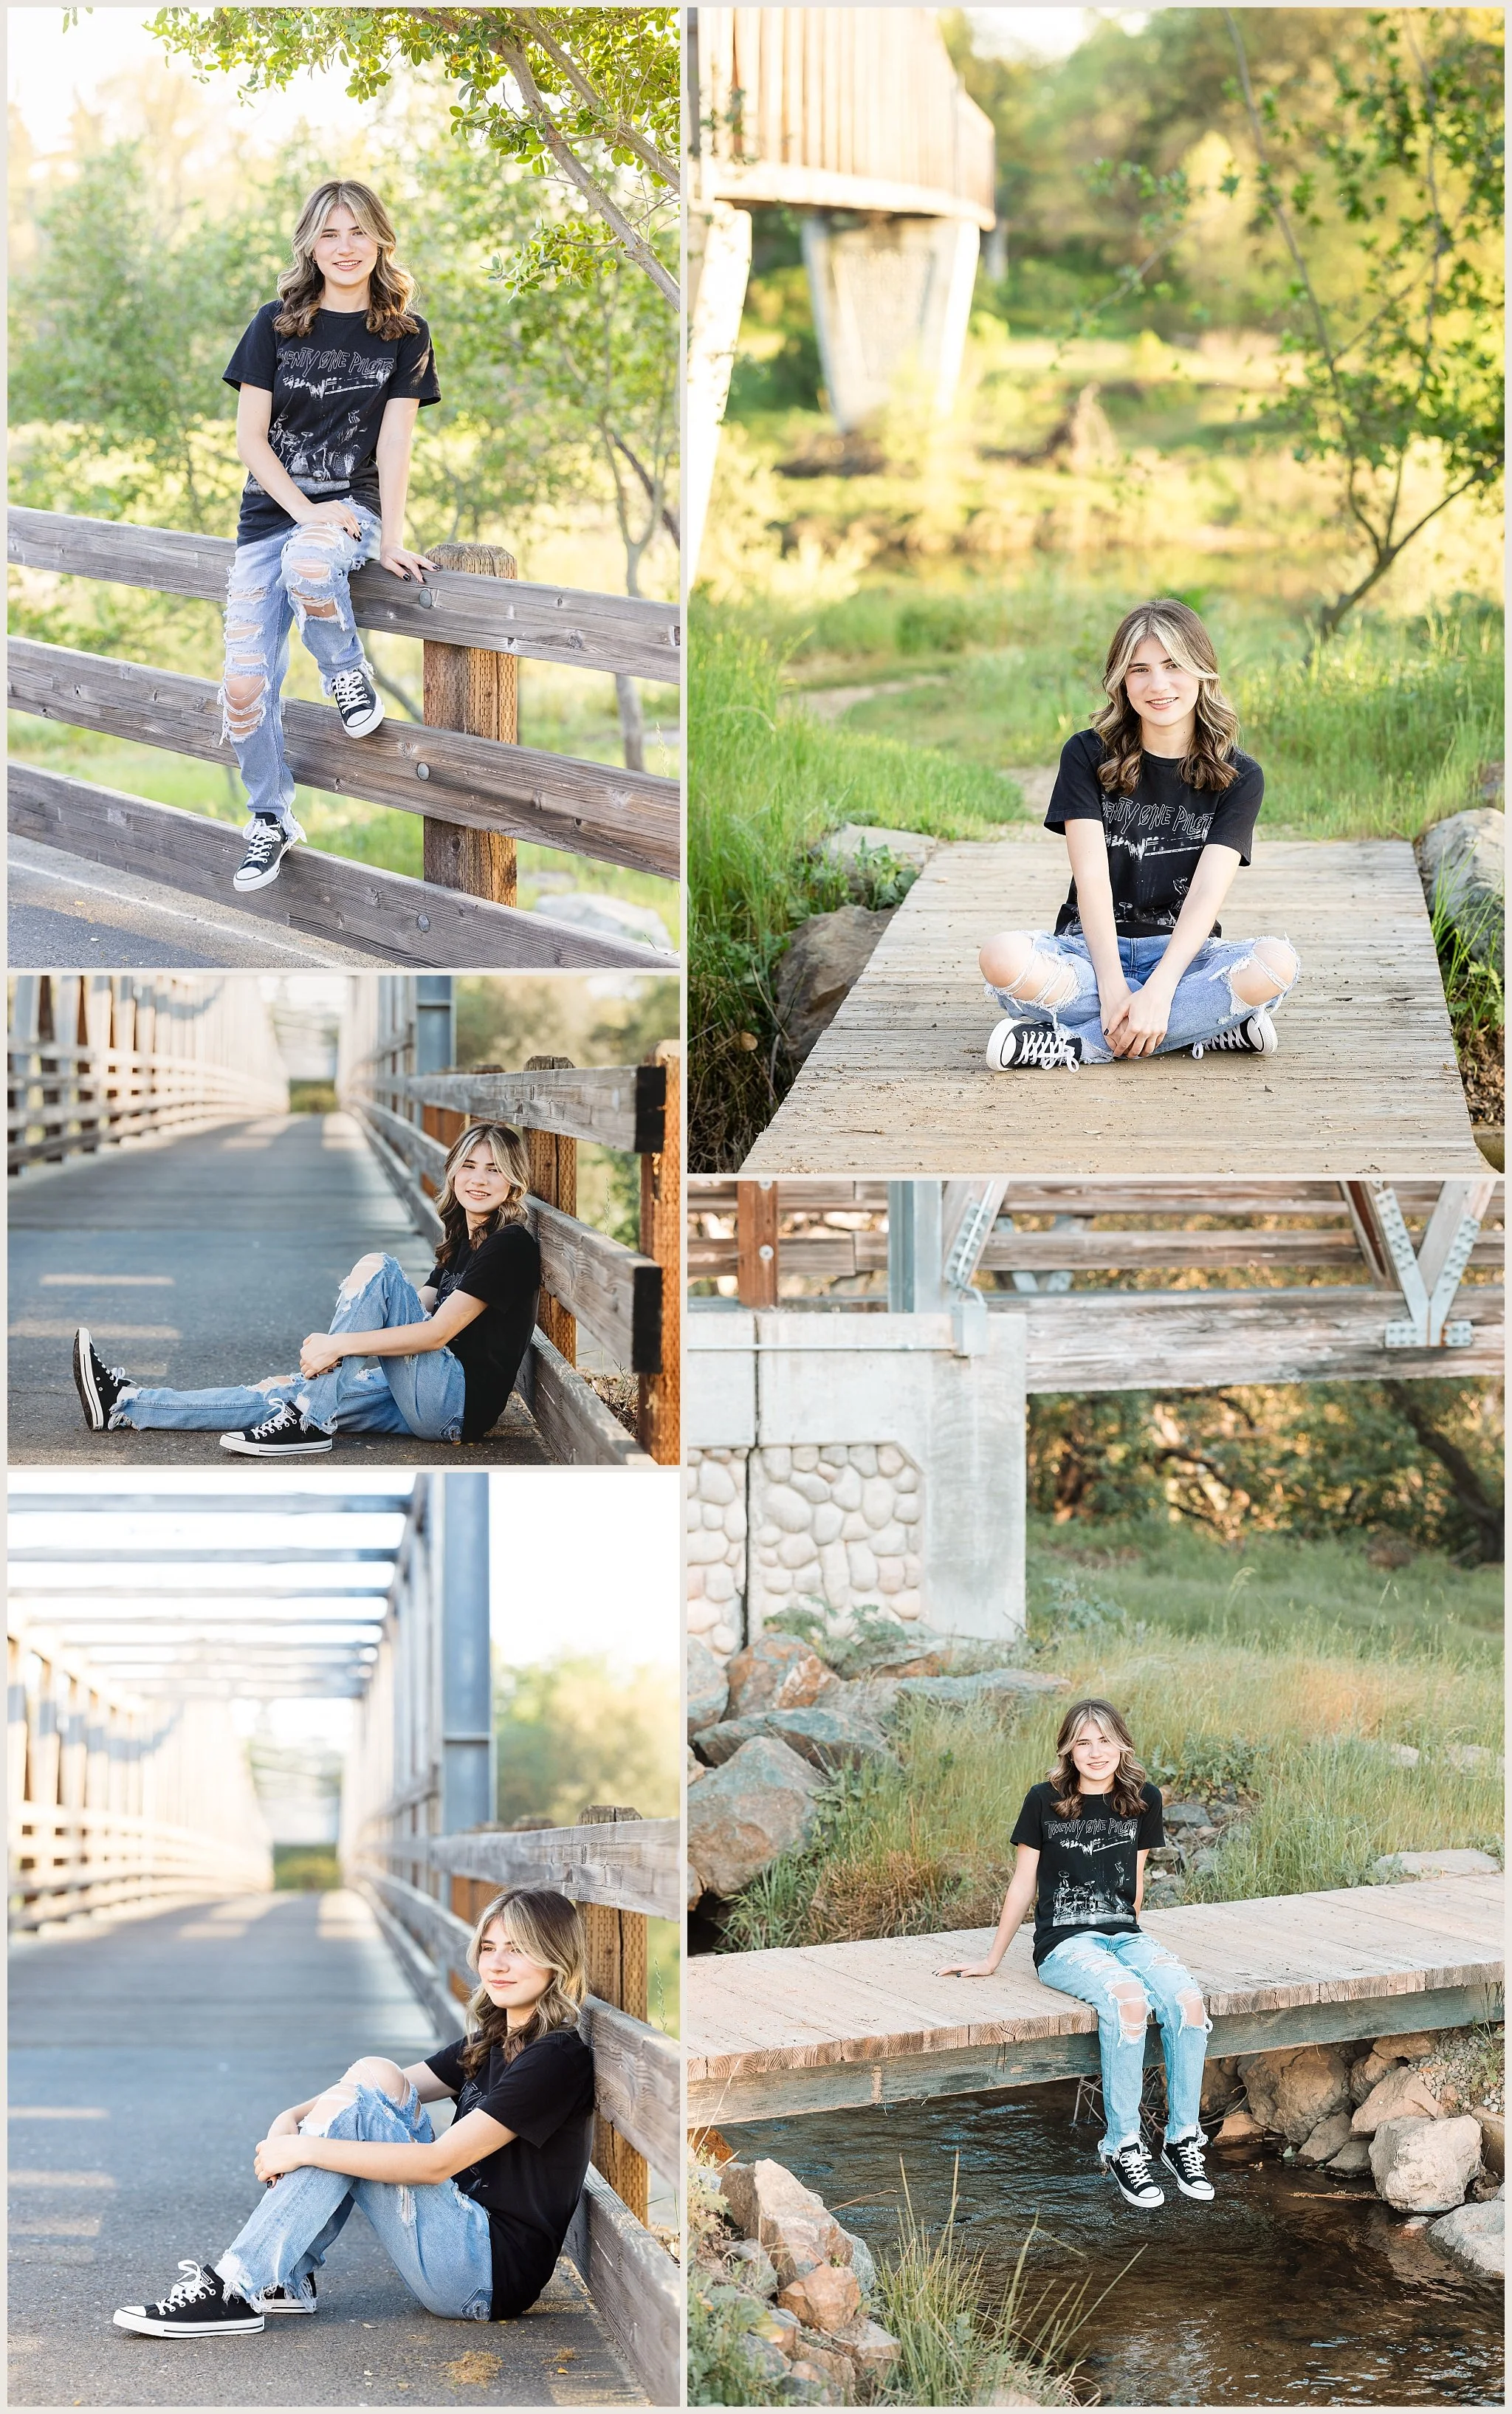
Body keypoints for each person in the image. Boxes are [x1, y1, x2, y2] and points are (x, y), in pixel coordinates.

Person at [111, 1890, 597, 2337]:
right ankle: (285, 2279)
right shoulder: (492, 2041)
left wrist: (304, 2148)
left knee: (358, 2116)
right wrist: (290, 2116)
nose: (498, 1963)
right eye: (489, 1948)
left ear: (555, 1959)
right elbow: (373, 2084)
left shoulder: (555, 2059)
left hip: (485, 2273)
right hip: (459, 2233)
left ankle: (235, 2288)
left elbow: (437, 2164)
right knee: (376, 2071)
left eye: (518, 1949)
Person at [220, 178, 440, 895]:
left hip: (351, 514)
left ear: (380, 240)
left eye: (358, 232)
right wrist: (302, 509)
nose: (345, 247)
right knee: (243, 688)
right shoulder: (274, 325)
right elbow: (251, 440)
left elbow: (396, 444)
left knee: (312, 565)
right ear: (310, 246)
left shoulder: (405, 335)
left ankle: (345, 669)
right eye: (330, 234)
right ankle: (270, 816)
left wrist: (389, 538)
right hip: (269, 517)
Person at [70, 1124, 541, 1457]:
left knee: (379, 1267)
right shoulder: (466, 1238)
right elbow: (415, 1308)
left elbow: (436, 1334)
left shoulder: (510, 1245)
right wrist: (331, 1372)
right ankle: (127, 1405)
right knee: (280, 1395)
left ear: (514, 1180)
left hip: (454, 1404)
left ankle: (310, 1422)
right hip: (426, 1394)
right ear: (454, 1171)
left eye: (495, 1170)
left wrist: (338, 1346)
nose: (479, 1179)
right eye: (470, 1166)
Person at [979, 600, 1299, 1069]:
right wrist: (1112, 987)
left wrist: (1161, 989)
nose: (1158, 685)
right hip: (1088, 954)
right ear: (1122, 681)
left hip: (1184, 960)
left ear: (1202, 671)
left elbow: (1206, 895)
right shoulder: (1087, 754)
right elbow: (1091, 878)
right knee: (1001, 956)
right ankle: (1207, 1028)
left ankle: (1077, 1045)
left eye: (1173, 666)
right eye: (1140, 670)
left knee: (1277, 963)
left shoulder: (1240, 775)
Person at [939, 1696, 1214, 2211]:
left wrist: (1135, 1944)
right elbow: (1023, 1883)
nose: (1095, 1752)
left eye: (1105, 1740)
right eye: (1083, 1742)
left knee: (1188, 2002)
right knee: (1128, 2001)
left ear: (1122, 1744)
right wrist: (993, 1958)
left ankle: (1182, 2140)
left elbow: (1135, 1881)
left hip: (1125, 1935)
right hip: (1065, 1944)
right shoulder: (1045, 1800)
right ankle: (1123, 2145)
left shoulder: (1142, 1799)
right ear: (1067, 1749)